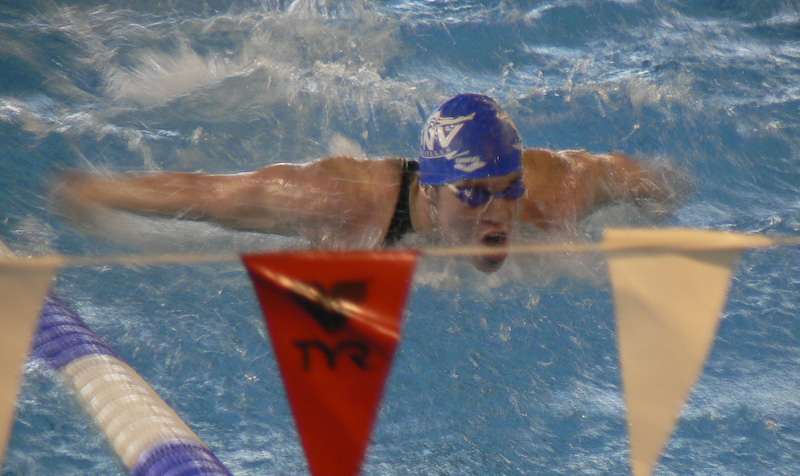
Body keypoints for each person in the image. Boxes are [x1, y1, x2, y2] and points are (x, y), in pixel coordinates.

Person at [53, 94, 680, 273]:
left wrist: (663, 197)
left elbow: (626, 175)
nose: (500, 212)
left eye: (507, 187)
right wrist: (99, 192)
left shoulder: (547, 194)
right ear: (429, 191)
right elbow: (214, 195)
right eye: (473, 193)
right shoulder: (346, 202)